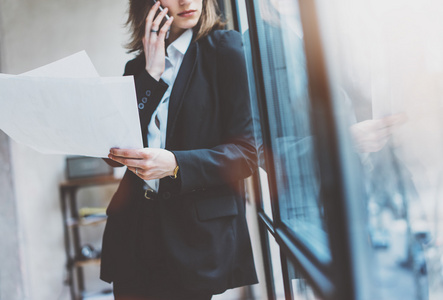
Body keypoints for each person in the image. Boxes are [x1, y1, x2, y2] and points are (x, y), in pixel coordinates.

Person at [100, 0, 258, 299]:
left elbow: (246, 155)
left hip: (193, 239)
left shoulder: (226, 49)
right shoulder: (136, 68)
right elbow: (112, 156)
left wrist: (175, 164)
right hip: (136, 235)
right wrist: (151, 74)